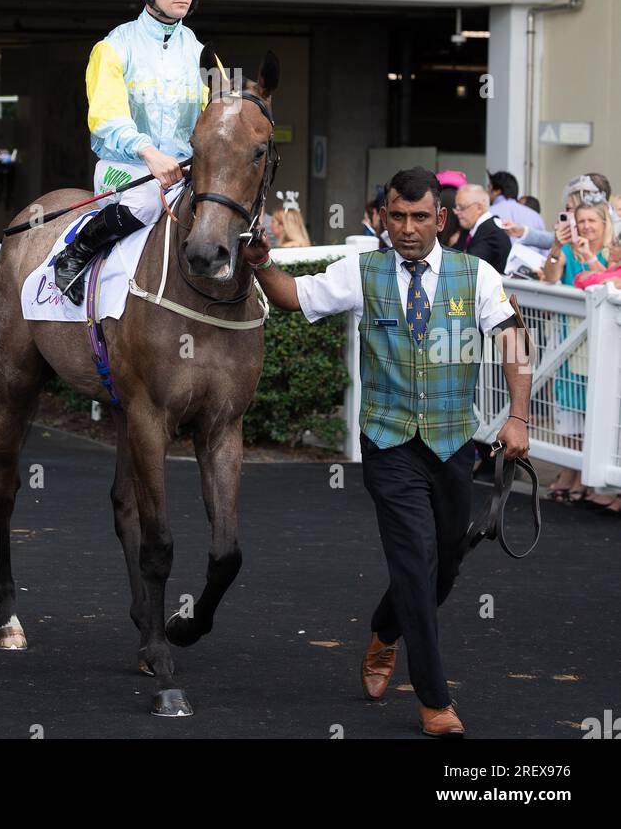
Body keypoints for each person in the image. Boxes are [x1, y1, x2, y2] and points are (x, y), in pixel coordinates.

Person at [244, 167, 530, 737]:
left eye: (419, 217)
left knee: (444, 567)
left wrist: (518, 418)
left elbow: (513, 343)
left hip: (453, 445)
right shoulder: (361, 270)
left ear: (441, 219)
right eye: (396, 216)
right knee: (414, 565)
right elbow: (292, 296)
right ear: (383, 217)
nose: (406, 228)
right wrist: (260, 261)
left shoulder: (477, 276)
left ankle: (384, 629)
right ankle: (433, 701)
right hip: (387, 444)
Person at [53, 0, 213, 305]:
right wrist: (149, 152)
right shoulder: (111, 48)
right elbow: (106, 118)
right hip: (125, 169)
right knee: (147, 200)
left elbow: (214, 119)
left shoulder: (202, 53)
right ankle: (74, 253)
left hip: (183, 173)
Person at [539, 198, 614, 503]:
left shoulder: (612, 251)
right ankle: (569, 468)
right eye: (580, 221)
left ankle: (584, 472)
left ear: (603, 223)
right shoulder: (567, 251)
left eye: (591, 221)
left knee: (594, 403)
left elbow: (610, 282)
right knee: (569, 399)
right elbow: (553, 276)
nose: (585, 227)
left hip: (602, 340)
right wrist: (557, 247)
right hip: (570, 337)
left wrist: (590, 258)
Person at [452, 184, 511, 273]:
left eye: (462, 207)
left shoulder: (493, 233)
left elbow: (466, 265)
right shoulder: (469, 228)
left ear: (479, 208)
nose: (456, 212)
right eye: (456, 207)